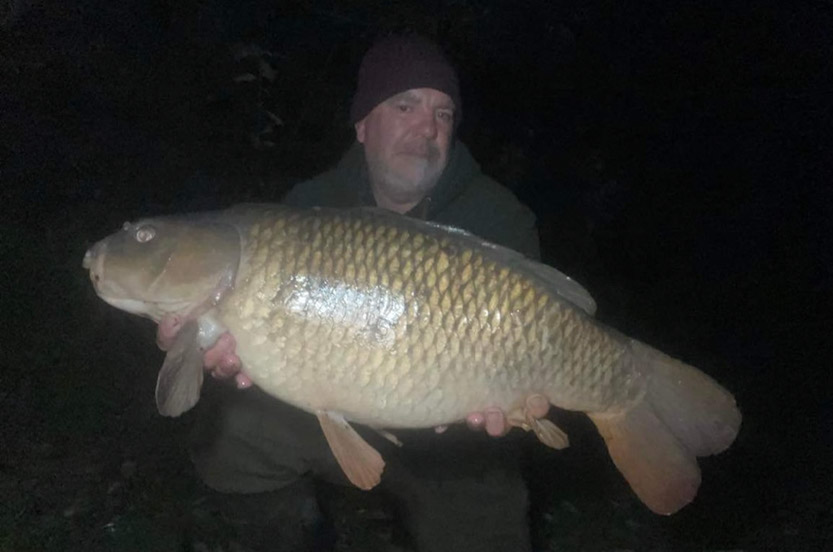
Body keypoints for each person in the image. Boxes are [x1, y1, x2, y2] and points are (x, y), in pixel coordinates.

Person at [191, 34, 549, 552]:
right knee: (232, 434)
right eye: (406, 105)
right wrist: (232, 357)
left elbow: (533, 353)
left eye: (444, 114)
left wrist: (514, 401)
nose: (428, 128)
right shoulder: (308, 208)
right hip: (333, 419)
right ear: (362, 125)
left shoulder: (498, 219)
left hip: (456, 441)